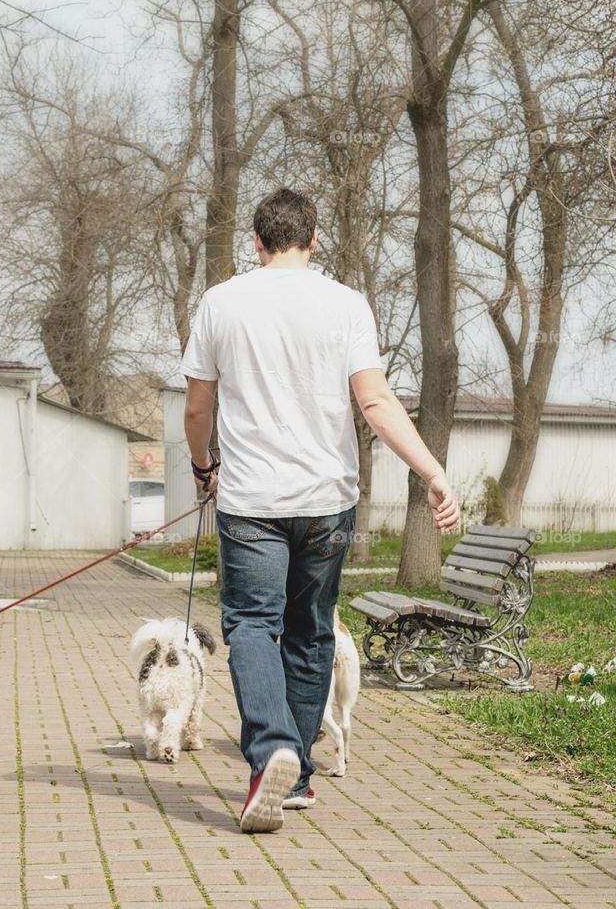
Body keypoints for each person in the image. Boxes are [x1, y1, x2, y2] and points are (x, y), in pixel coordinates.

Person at [181, 187, 460, 833]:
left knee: (252, 625)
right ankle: (298, 773)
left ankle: (273, 747)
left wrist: (204, 468)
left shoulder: (222, 302)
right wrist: (432, 471)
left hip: (251, 501)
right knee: (311, 633)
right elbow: (378, 403)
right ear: (314, 240)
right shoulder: (346, 305)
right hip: (329, 501)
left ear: (256, 242)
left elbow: (197, 409)